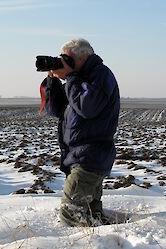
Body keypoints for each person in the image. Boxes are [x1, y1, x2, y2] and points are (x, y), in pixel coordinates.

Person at [39, 38, 120, 226]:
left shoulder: (100, 75)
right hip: (81, 157)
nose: (63, 62)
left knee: (70, 216)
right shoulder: (79, 78)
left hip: (90, 157)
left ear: (84, 57)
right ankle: (104, 245)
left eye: (67, 58)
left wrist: (71, 77)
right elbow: (56, 110)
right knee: (91, 215)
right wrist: (52, 81)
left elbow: (87, 107)